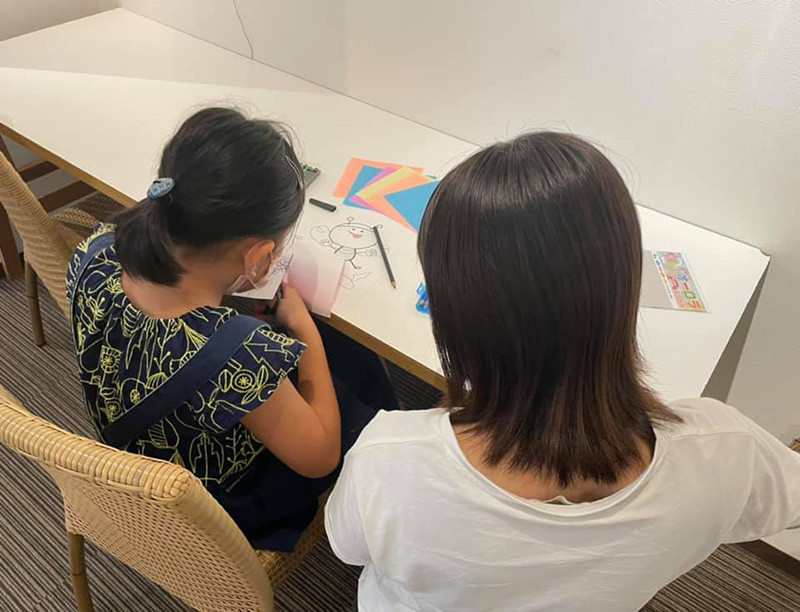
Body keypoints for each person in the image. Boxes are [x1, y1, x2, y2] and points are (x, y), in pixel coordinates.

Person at [325, 132, 800, 610]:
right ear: (623, 284)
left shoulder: (389, 460)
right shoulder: (725, 449)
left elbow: (347, 549)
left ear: (453, 311)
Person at [66, 107, 396, 552]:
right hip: (218, 502)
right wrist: (304, 330)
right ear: (257, 258)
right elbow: (319, 458)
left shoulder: (94, 251)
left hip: (142, 444)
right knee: (361, 371)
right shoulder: (238, 358)